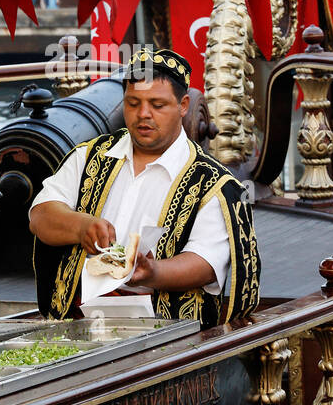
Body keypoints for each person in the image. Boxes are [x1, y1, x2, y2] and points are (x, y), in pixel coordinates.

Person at [28, 47, 259, 326]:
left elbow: (206, 263)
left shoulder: (214, 184)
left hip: (164, 330)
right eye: (133, 103)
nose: (143, 114)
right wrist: (81, 227)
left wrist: (152, 272)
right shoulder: (89, 156)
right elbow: (40, 216)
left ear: (183, 105)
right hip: (76, 319)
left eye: (157, 105)